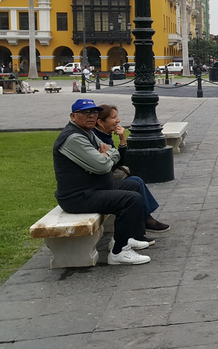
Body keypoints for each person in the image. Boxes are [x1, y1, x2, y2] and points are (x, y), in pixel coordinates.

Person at [53, 99, 151, 265]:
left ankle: (124, 238)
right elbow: (102, 166)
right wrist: (105, 156)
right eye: (85, 112)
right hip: (78, 197)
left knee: (133, 185)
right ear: (73, 116)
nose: (91, 116)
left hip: (93, 188)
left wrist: (107, 154)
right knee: (130, 200)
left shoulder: (87, 132)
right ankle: (119, 253)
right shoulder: (73, 138)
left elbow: (111, 152)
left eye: (94, 112)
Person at [93, 105, 170, 232]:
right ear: (100, 122)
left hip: (109, 176)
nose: (118, 120)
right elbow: (111, 164)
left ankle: (144, 220)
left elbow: (119, 162)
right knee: (134, 182)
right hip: (102, 181)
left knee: (135, 180)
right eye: (113, 117)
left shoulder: (105, 135)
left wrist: (123, 141)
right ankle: (144, 222)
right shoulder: (98, 138)